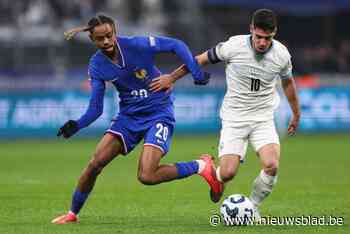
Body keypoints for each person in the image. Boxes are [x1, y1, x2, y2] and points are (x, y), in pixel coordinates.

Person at [51, 14, 222, 224]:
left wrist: (195, 72)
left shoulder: (137, 45)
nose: (105, 41)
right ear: (92, 40)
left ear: (115, 32)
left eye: (108, 35)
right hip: (128, 117)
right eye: (100, 38)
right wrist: (76, 125)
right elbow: (96, 108)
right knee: (95, 163)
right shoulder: (96, 65)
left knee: (146, 176)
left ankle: (200, 166)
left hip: (159, 112)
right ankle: (72, 213)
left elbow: (176, 45)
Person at [149, 9, 301, 220]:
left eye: (268, 38)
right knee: (228, 173)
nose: (263, 43)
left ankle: (253, 207)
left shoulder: (282, 55)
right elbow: (199, 59)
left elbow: (288, 83)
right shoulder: (233, 46)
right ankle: (209, 168)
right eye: (259, 37)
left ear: (274, 33)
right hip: (234, 119)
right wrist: (171, 78)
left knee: (272, 165)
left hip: (263, 119)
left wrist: (296, 113)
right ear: (251, 30)